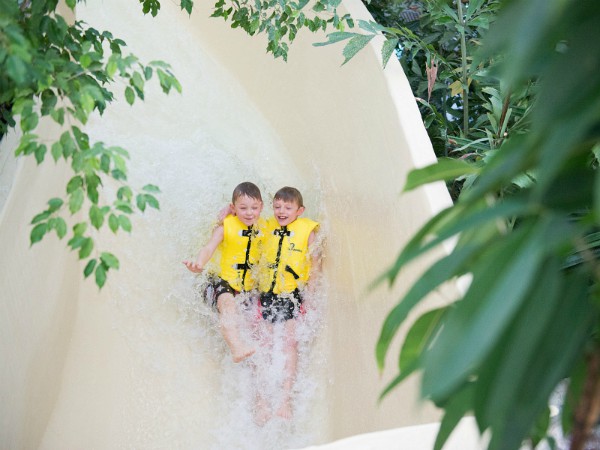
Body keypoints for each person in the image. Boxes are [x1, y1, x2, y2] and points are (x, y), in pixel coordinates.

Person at [255, 186, 320, 422]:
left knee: (288, 345)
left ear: (299, 211)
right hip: (267, 294)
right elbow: (243, 218)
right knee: (264, 344)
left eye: (288, 207)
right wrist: (226, 212)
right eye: (278, 206)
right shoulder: (266, 225)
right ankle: (262, 402)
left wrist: (311, 295)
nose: (281, 211)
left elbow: (315, 264)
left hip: (292, 295)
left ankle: (285, 400)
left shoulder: (308, 231)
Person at [183, 182, 265, 363]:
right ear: (233, 208)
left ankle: (252, 358)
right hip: (220, 281)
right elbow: (208, 248)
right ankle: (237, 348)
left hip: (246, 288)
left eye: (254, 208)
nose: (249, 213)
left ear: (262, 207)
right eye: (243, 208)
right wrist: (198, 263)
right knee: (228, 305)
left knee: (255, 322)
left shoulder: (265, 228)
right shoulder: (224, 227)